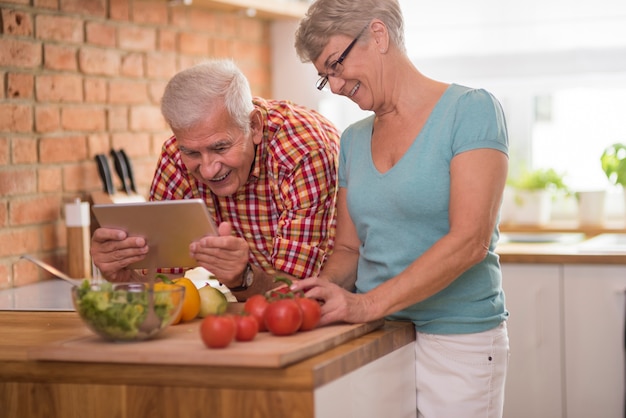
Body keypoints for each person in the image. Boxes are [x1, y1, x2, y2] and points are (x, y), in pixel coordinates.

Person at [292, 1, 510, 417]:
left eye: (335, 65)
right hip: (377, 336)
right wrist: (319, 295)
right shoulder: (353, 139)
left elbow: (470, 241)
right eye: (324, 77)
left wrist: (366, 304)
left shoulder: (471, 111)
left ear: (378, 35)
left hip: (457, 338)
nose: (334, 86)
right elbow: (349, 250)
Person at [90, 59, 341, 300]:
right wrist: (124, 276)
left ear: (254, 126)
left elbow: (297, 291)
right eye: (191, 152)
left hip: (343, 293)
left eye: (220, 148)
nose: (209, 170)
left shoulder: (302, 152)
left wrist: (243, 278)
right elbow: (161, 285)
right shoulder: (175, 157)